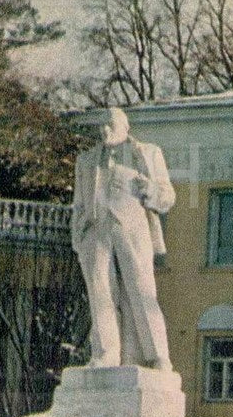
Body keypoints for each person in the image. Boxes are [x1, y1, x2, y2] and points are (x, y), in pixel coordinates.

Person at [71, 107, 176, 371]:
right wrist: (79, 236)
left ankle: (157, 356)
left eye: (111, 124)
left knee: (141, 291)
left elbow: (167, 197)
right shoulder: (86, 161)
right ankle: (106, 355)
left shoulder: (146, 153)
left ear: (125, 127)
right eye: (102, 126)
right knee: (100, 294)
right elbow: (79, 204)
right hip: (96, 230)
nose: (105, 130)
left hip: (132, 228)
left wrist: (150, 189)